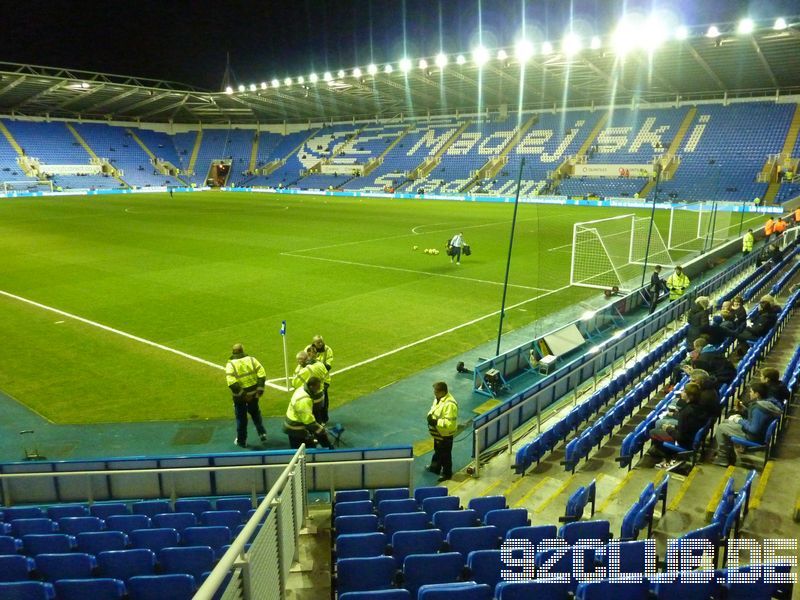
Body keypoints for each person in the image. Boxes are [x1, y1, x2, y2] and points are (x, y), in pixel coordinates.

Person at [713, 382, 782, 466]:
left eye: (751, 392)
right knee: (726, 422)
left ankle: (722, 458)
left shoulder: (759, 409)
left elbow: (754, 429)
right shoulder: (767, 403)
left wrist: (739, 420)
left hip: (754, 437)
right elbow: (757, 419)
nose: (750, 393)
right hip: (760, 434)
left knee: (721, 427)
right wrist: (744, 410)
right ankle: (729, 455)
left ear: (757, 394)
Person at [649, 383, 708, 469]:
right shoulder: (698, 406)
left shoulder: (687, 412)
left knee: (653, 432)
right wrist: (674, 428)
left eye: (684, 391)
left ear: (689, 396)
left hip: (685, 443)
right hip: (690, 437)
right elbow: (686, 427)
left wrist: (668, 428)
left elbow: (680, 437)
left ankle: (670, 457)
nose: (681, 393)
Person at [225, 343, 268, 448]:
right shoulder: (252, 360)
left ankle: (241, 441)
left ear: (233, 352)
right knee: (255, 413)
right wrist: (260, 390)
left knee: (241, 418)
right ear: (243, 350)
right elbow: (262, 374)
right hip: (253, 394)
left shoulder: (231, 364)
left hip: (239, 397)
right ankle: (262, 433)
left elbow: (231, 382)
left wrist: (243, 395)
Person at [283, 376, 334, 449]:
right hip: (295, 427)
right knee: (305, 450)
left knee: (305, 447)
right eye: (317, 388)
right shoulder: (304, 400)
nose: (318, 390)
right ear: (311, 386)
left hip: (294, 422)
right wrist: (321, 430)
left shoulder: (302, 389)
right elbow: (309, 423)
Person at [426, 381, 458, 481]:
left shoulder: (450, 405)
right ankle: (435, 468)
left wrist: (436, 422)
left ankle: (447, 473)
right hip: (437, 432)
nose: (434, 393)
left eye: (436, 391)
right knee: (437, 450)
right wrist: (429, 416)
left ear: (442, 392)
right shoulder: (438, 399)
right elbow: (434, 409)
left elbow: (450, 424)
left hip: (445, 433)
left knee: (445, 454)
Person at [292, 349, 328, 421]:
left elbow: (294, 383)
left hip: (311, 396)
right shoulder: (318, 364)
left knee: (312, 415)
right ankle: (322, 424)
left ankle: (317, 428)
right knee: (319, 411)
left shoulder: (302, 370)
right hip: (321, 392)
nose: (299, 362)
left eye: (300, 360)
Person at [311, 335, 334, 423]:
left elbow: (328, 365)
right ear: (314, 343)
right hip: (312, 380)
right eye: (318, 342)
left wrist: (317, 368)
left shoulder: (328, 350)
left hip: (323, 380)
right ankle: (314, 419)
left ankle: (324, 419)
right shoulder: (309, 349)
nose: (320, 343)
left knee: (323, 401)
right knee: (312, 401)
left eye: (321, 341)